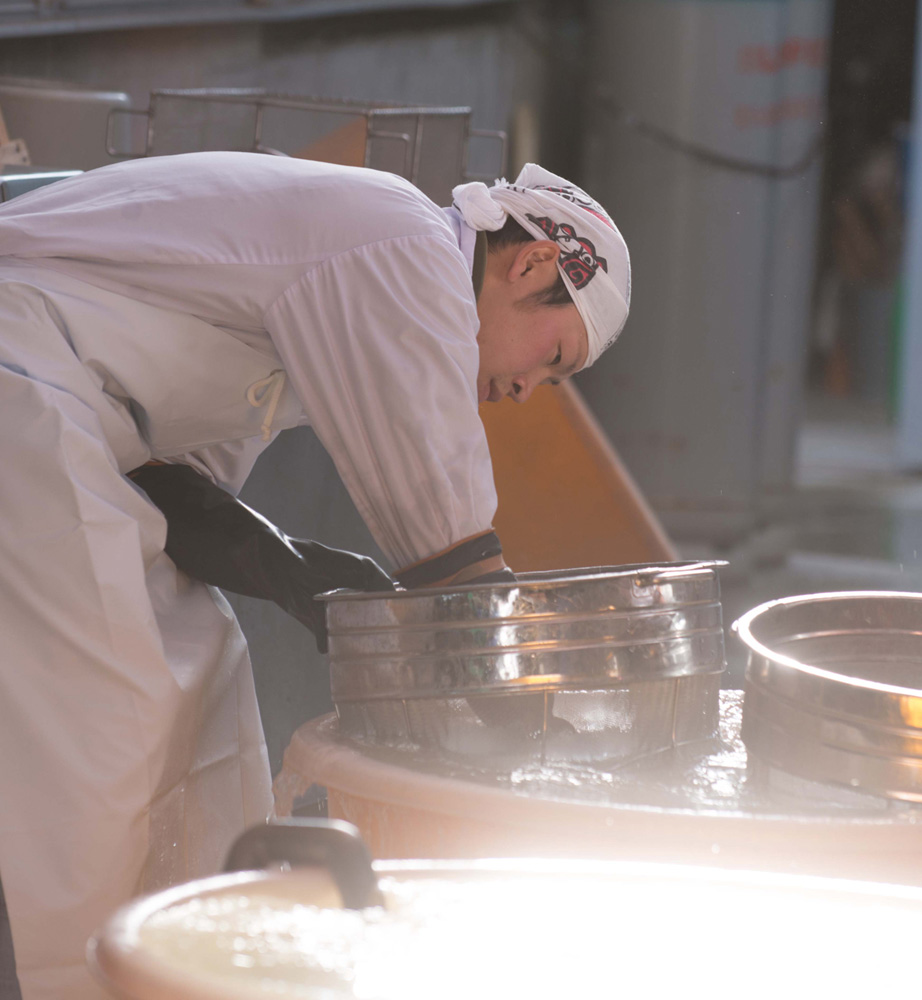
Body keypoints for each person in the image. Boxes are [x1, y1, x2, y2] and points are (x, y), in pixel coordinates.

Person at [0, 151, 630, 999]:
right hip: (22, 384)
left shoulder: (335, 308)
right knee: (113, 716)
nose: (525, 389)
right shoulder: (405, 247)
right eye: (551, 358)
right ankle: (91, 979)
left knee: (209, 671)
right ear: (532, 263)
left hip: (61, 413)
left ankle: (196, 968)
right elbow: (452, 552)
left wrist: (284, 567)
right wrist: (551, 728)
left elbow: (174, 491)